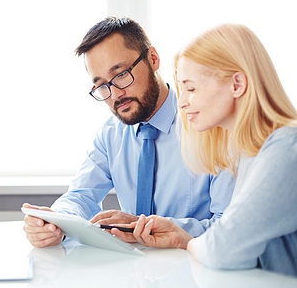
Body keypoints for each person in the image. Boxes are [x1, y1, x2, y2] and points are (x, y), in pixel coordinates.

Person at [23, 17, 236, 248]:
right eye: (102, 85)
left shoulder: (212, 126)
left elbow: (228, 226)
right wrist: (54, 224)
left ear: (153, 59)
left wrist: (148, 227)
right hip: (134, 272)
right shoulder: (111, 135)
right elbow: (80, 195)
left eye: (121, 75)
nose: (115, 95)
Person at [122, 23, 297, 277]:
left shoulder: (285, 150)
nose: (181, 102)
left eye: (190, 88)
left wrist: (191, 243)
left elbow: (222, 249)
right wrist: (182, 238)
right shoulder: (250, 152)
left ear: (237, 84)